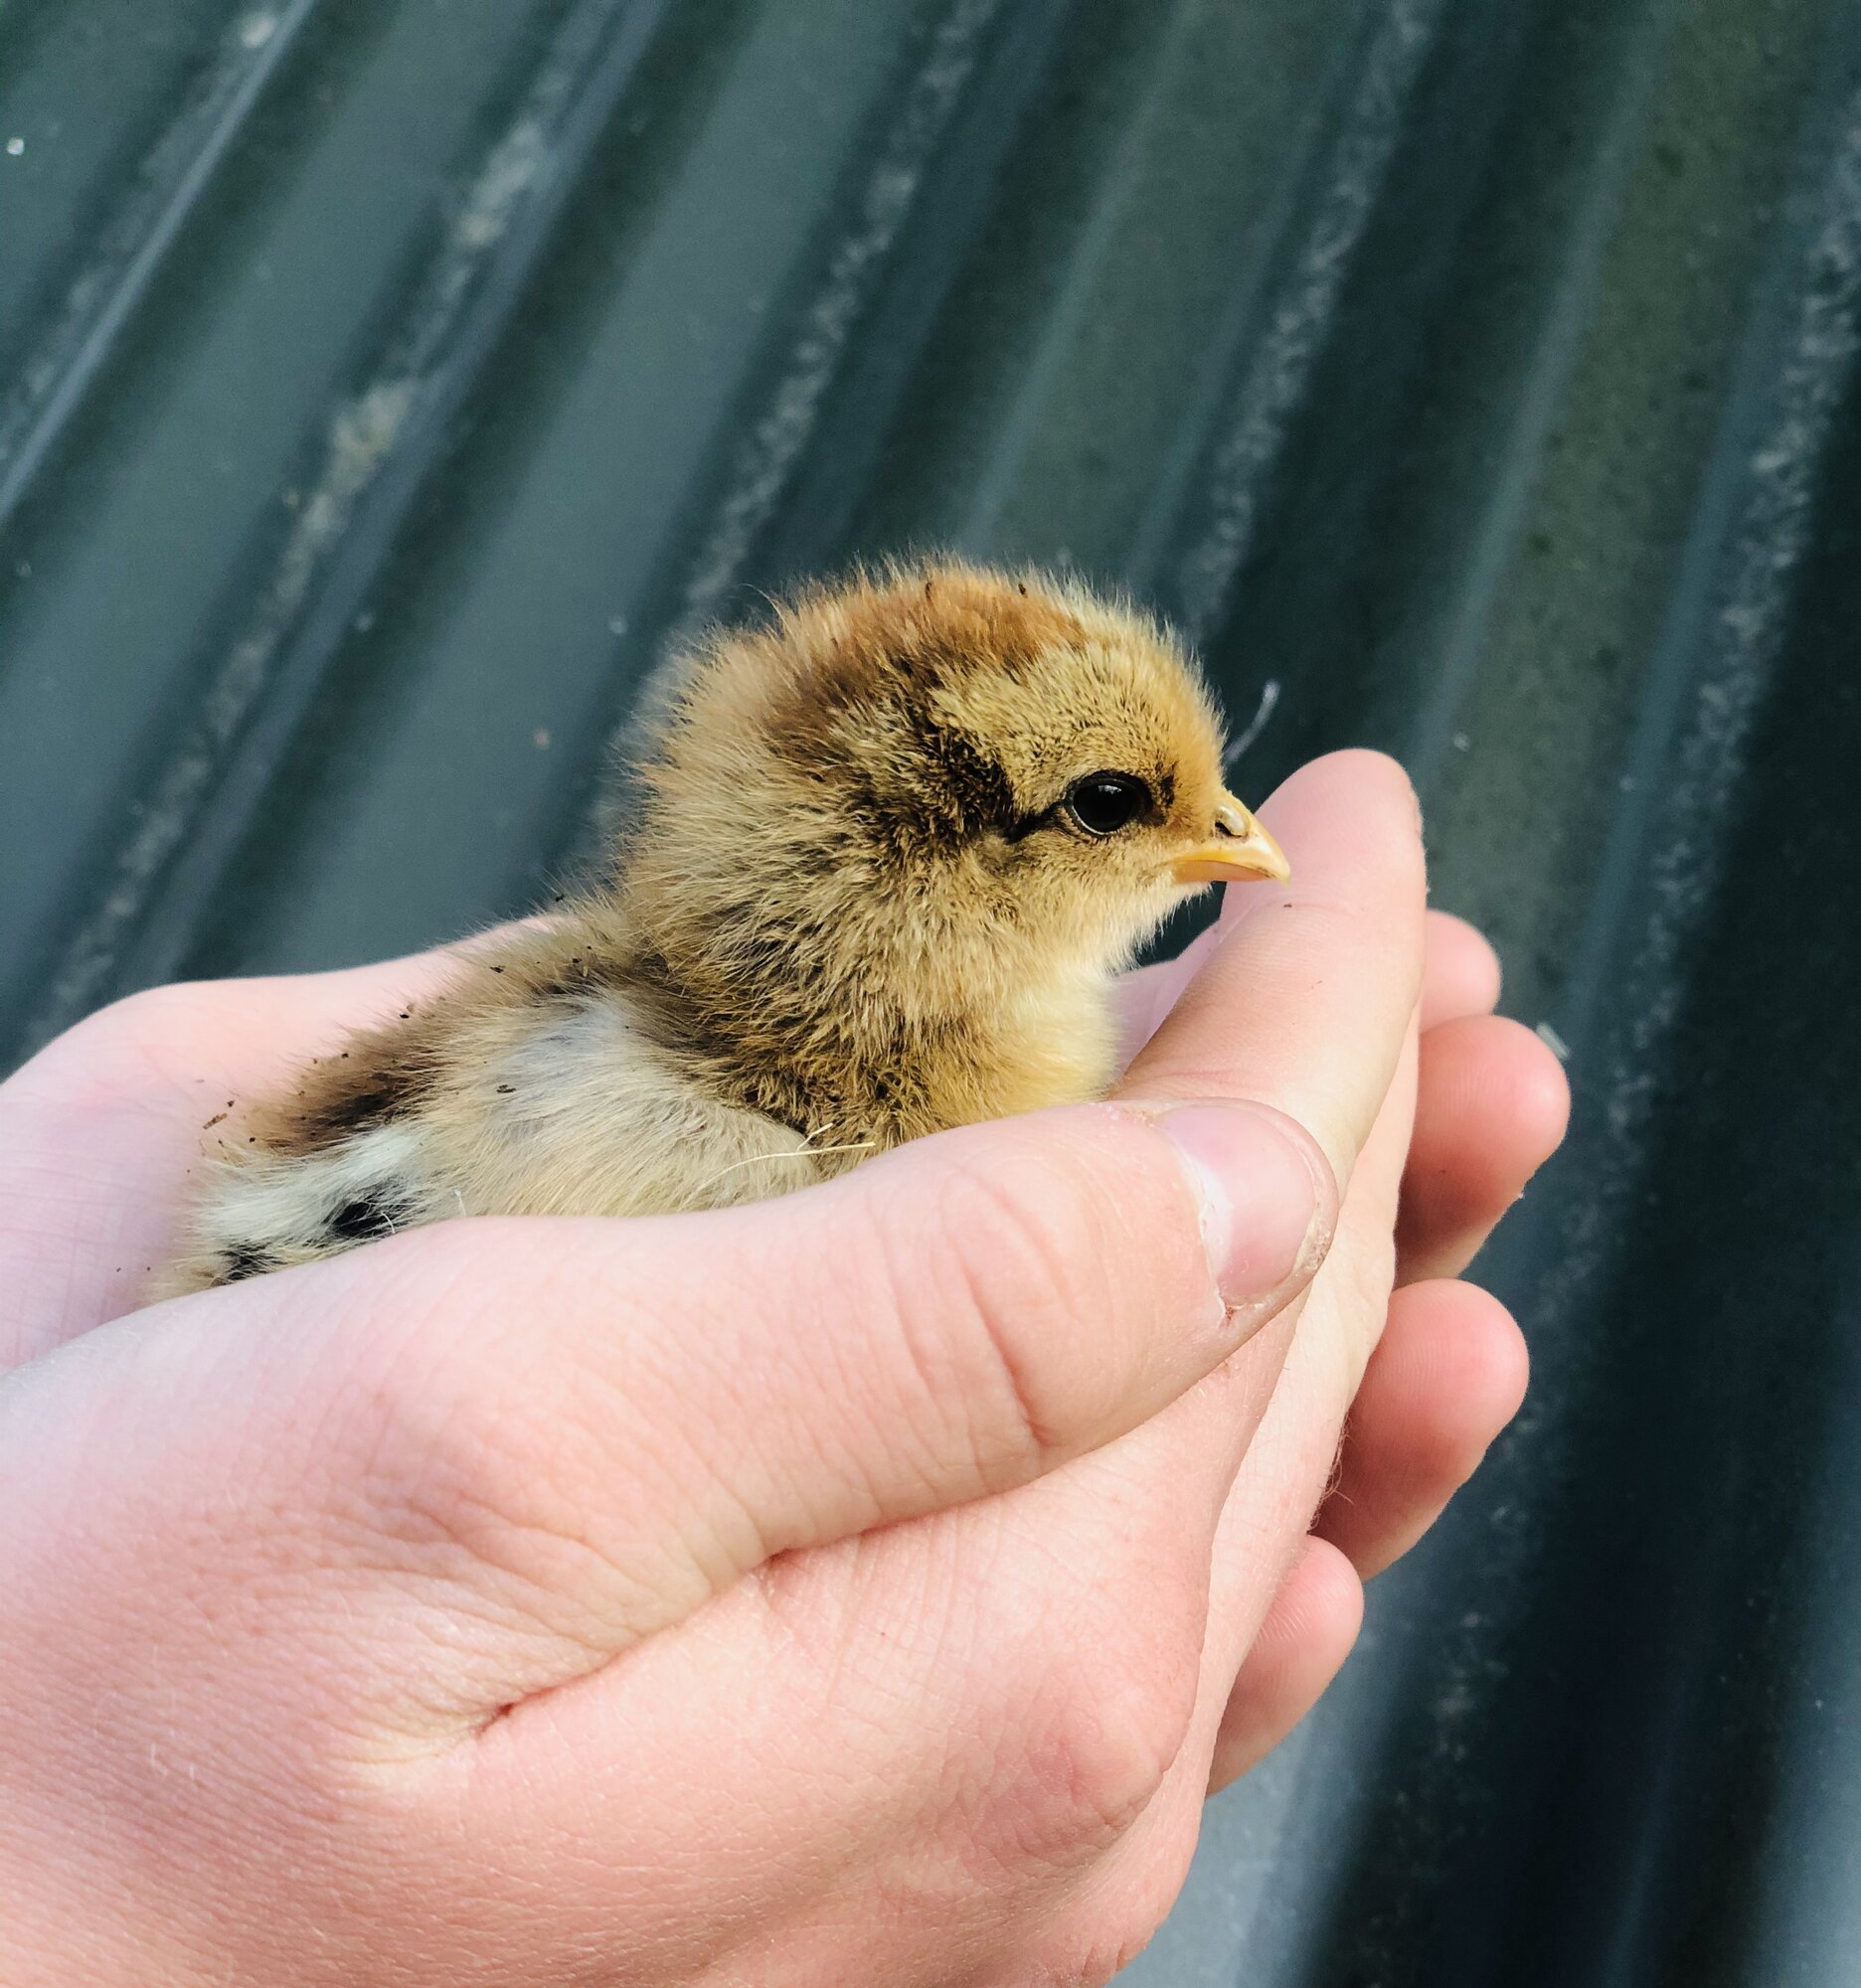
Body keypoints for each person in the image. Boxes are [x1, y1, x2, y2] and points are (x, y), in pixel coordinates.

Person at [0, 753, 1567, 1985]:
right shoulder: (745, 1121)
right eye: (1113, 805)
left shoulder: (734, 1038)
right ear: (936, 870)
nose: (1223, 824)